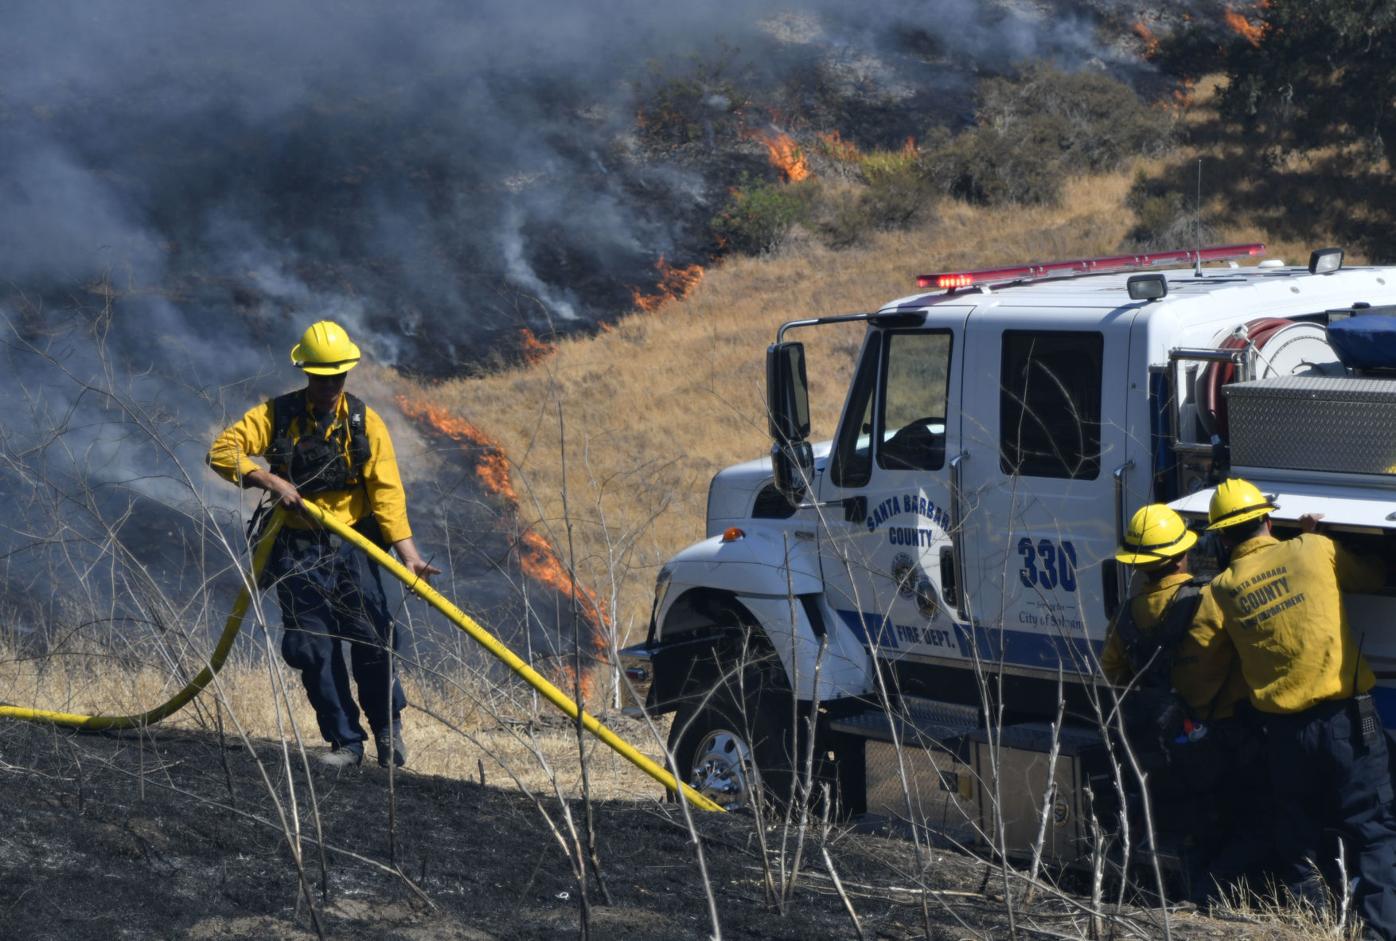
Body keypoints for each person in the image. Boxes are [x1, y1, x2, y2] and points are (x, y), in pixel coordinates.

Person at [208, 320, 440, 770]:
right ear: (307, 373)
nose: (330, 384)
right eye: (322, 375)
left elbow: (387, 493)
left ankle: (388, 734)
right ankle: (345, 744)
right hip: (296, 549)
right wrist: (269, 478)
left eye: (338, 375)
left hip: (356, 549)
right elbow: (222, 450)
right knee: (313, 646)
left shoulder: (363, 422)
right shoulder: (276, 416)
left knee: (374, 638)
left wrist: (408, 555)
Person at [1206, 478, 1396, 938]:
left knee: (1300, 837)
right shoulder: (1314, 548)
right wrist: (1315, 538)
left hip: (1284, 735)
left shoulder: (1222, 589)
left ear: (1222, 537)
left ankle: (1314, 925)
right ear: (1268, 520)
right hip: (1347, 723)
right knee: (1372, 831)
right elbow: (1374, 576)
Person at [1101, 503, 1259, 902]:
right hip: (1222, 736)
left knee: (1193, 828)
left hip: (1164, 741)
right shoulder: (1209, 599)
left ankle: (1192, 897)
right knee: (1243, 819)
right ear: (1179, 555)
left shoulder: (1127, 614)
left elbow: (1112, 673)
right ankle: (1217, 901)